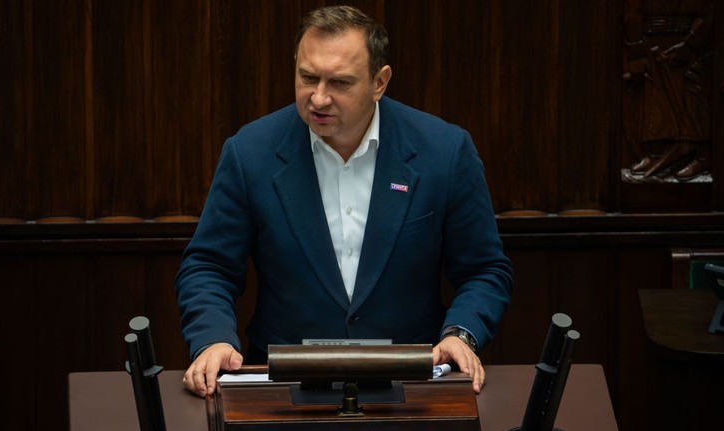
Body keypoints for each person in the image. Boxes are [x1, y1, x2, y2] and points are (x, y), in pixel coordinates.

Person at [176, 5, 513, 398]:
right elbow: (209, 266)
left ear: (379, 82)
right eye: (308, 77)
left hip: (412, 383)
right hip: (283, 386)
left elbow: (484, 269)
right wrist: (213, 338)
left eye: (339, 83)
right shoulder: (250, 153)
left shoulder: (444, 151)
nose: (319, 98)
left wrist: (460, 333)